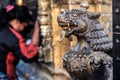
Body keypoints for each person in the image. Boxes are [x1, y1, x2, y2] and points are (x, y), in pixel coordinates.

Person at [0, 4, 39, 80]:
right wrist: (36, 29)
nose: (25, 28)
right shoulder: (13, 38)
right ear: (17, 21)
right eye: (25, 25)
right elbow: (28, 55)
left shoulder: (4, 29)